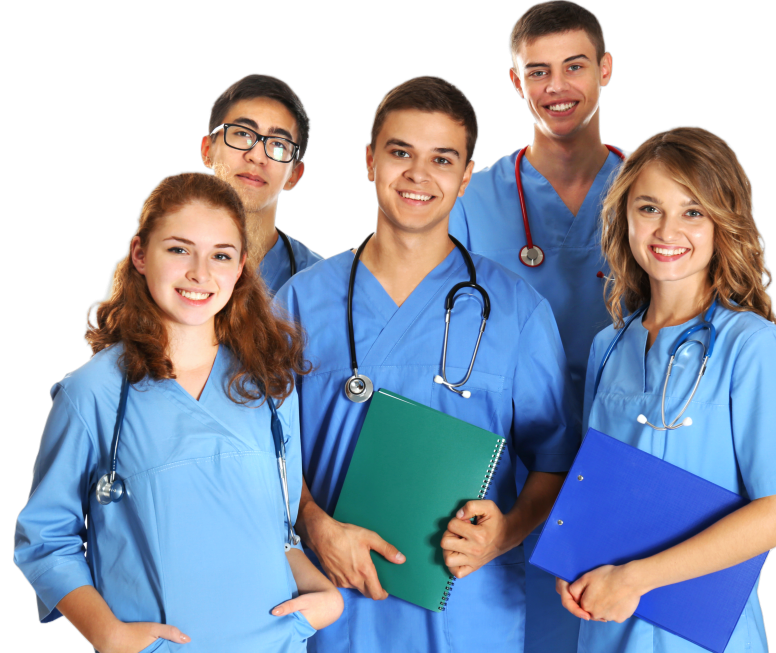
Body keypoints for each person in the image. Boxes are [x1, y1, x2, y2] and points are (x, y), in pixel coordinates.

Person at [274, 75, 579, 653]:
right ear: (369, 161)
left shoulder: (515, 311)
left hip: (467, 609)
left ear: (466, 176)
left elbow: (556, 460)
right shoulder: (298, 302)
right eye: (400, 153)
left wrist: (505, 533)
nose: (418, 175)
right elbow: (264, 455)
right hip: (334, 601)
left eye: (442, 159)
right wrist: (314, 523)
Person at [13, 172, 343, 652]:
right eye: (179, 250)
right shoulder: (93, 394)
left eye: (221, 256)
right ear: (141, 255)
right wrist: (107, 634)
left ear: (241, 268)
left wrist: (323, 596)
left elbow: (276, 530)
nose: (200, 273)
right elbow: (45, 540)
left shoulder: (269, 386)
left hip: (273, 642)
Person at [556, 126, 776, 653]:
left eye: (693, 212)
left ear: (724, 223)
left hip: (701, 635)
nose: (668, 230)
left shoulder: (751, 346)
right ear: (624, 217)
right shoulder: (608, 346)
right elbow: (595, 486)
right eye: (649, 208)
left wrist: (637, 579)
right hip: (606, 626)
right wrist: (569, 557)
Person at [448, 3, 623, 649]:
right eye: (538, 71)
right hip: (509, 470)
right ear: (517, 83)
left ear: (604, 70)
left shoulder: (651, 191)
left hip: (621, 455)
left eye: (574, 66)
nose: (557, 87)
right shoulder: (472, 199)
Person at [200, 73, 323, 292]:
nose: (257, 156)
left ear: (295, 174)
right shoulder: (162, 257)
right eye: (242, 134)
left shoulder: (319, 282)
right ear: (207, 150)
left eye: (278, 144)